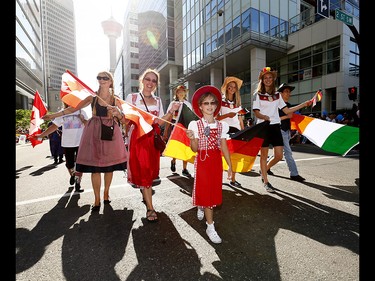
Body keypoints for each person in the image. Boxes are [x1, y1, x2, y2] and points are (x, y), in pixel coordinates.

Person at [43, 71, 128, 211]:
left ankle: (106, 193)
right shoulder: (92, 97)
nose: (101, 80)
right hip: (93, 132)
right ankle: (97, 199)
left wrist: (118, 113)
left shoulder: (116, 99)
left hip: (110, 132)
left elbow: (124, 119)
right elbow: (73, 109)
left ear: (110, 81)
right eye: (99, 77)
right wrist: (53, 115)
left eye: (105, 78)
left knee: (109, 166)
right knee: (95, 168)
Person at [125, 68, 181, 222]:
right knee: (143, 171)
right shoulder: (133, 97)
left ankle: (146, 195)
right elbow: (126, 120)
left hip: (152, 140)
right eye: (148, 79)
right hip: (138, 139)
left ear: (156, 84)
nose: (150, 83)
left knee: (149, 172)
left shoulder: (157, 101)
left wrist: (171, 112)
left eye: (153, 81)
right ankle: (150, 208)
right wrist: (118, 113)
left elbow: (160, 122)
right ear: (142, 80)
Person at [252, 67, 312, 193]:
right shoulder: (258, 95)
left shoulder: (277, 95)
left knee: (279, 156)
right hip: (263, 127)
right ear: (262, 80)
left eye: (270, 77)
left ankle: (264, 170)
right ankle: (266, 180)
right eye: (265, 78)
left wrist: (303, 104)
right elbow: (256, 112)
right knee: (263, 156)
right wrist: (263, 117)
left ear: (273, 79)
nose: (268, 80)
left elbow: (287, 111)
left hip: (275, 127)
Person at [185, 85, 232, 244]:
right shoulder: (194, 125)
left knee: (212, 190)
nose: (210, 106)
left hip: (216, 161)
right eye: (206, 103)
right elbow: (195, 149)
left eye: (213, 103)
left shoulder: (222, 126)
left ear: (216, 106)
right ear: (200, 106)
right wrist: (192, 138)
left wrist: (230, 165)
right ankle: (210, 225)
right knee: (205, 190)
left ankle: (201, 205)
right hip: (203, 161)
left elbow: (224, 146)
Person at [35, 102, 89, 192]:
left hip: (80, 142)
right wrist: (42, 135)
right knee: (69, 164)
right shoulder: (62, 113)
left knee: (80, 164)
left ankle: (78, 182)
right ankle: (73, 175)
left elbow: (89, 125)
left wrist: (83, 120)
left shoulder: (81, 111)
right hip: (67, 143)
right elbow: (54, 126)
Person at [266, 83, 305, 182]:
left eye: (289, 92)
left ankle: (266, 166)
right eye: (286, 91)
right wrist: (287, 116)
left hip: (286, 131)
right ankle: (294, 173)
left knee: (278, 154)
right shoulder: (277, 105)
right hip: (279, 130)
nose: (289, 94)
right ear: (281, 93)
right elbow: (274, 119)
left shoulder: (288, 105)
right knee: (288, 153)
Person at [216, 76, 245, 188]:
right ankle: (219, 178)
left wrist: (243, 132)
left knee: (235, 156)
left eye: (234, 87)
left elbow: (240, 119)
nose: (232, 89)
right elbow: (217, 118)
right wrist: (227, 115)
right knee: (222, 155)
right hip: (224, 130)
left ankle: (233, 179)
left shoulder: (238, 103)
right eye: (230, 87)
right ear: (226, 88)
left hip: (237, 130)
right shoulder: (220, 101)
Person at [163, 85, 192, 177]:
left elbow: (191, 118)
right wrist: (166, 131)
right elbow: (169, 117)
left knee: (185, 148)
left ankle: (184, 169)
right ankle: (173, 160)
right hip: (175, 126)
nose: (181, 93)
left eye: (183, 91)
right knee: (175, 146)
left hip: (185, 127)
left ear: (185, 93)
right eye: (179, 91)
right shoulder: (173, 103)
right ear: (176, 93)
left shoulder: (188, 104)